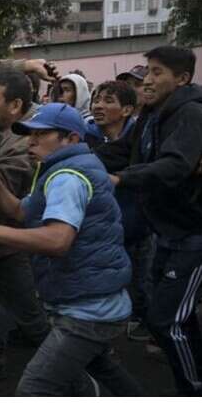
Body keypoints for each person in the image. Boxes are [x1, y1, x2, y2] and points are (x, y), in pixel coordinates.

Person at [0, 102, 142, 396]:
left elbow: (57, 240)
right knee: (104, 374)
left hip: (87, 310)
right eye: (30, 134)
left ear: (72, 139)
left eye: (42, 134)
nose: (32, 140)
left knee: (34, 388)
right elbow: (18, 211)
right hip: (93, 300)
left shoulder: (67, 177)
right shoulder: (63, 169)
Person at [96, 45, 202, 396]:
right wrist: (74, 155)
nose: (147, 80)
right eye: (147, 71)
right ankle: (199, 377)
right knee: (167, 315)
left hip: (199, 233)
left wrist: (124, 178)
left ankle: (198, 389)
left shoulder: (192, 114)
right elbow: (125, 152)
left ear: (181, 79)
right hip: (170, 232)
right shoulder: (153, 115)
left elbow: (176, 164)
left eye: (157, 72)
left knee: (168, 319)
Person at [0, 68, 50, 378]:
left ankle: (75, 372)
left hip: (5, 244)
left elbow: (3, 188)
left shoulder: (23, 143)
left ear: (15, 105)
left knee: (30, 318)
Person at [89, 81, 155, 342]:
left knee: (143, 281)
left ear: (127, 109)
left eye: (108, 101)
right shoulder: (86, 136)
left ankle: (149, 324)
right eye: (96, 100)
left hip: (139, 224)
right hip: (106, 225)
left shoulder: (143, 140)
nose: (98, 106)